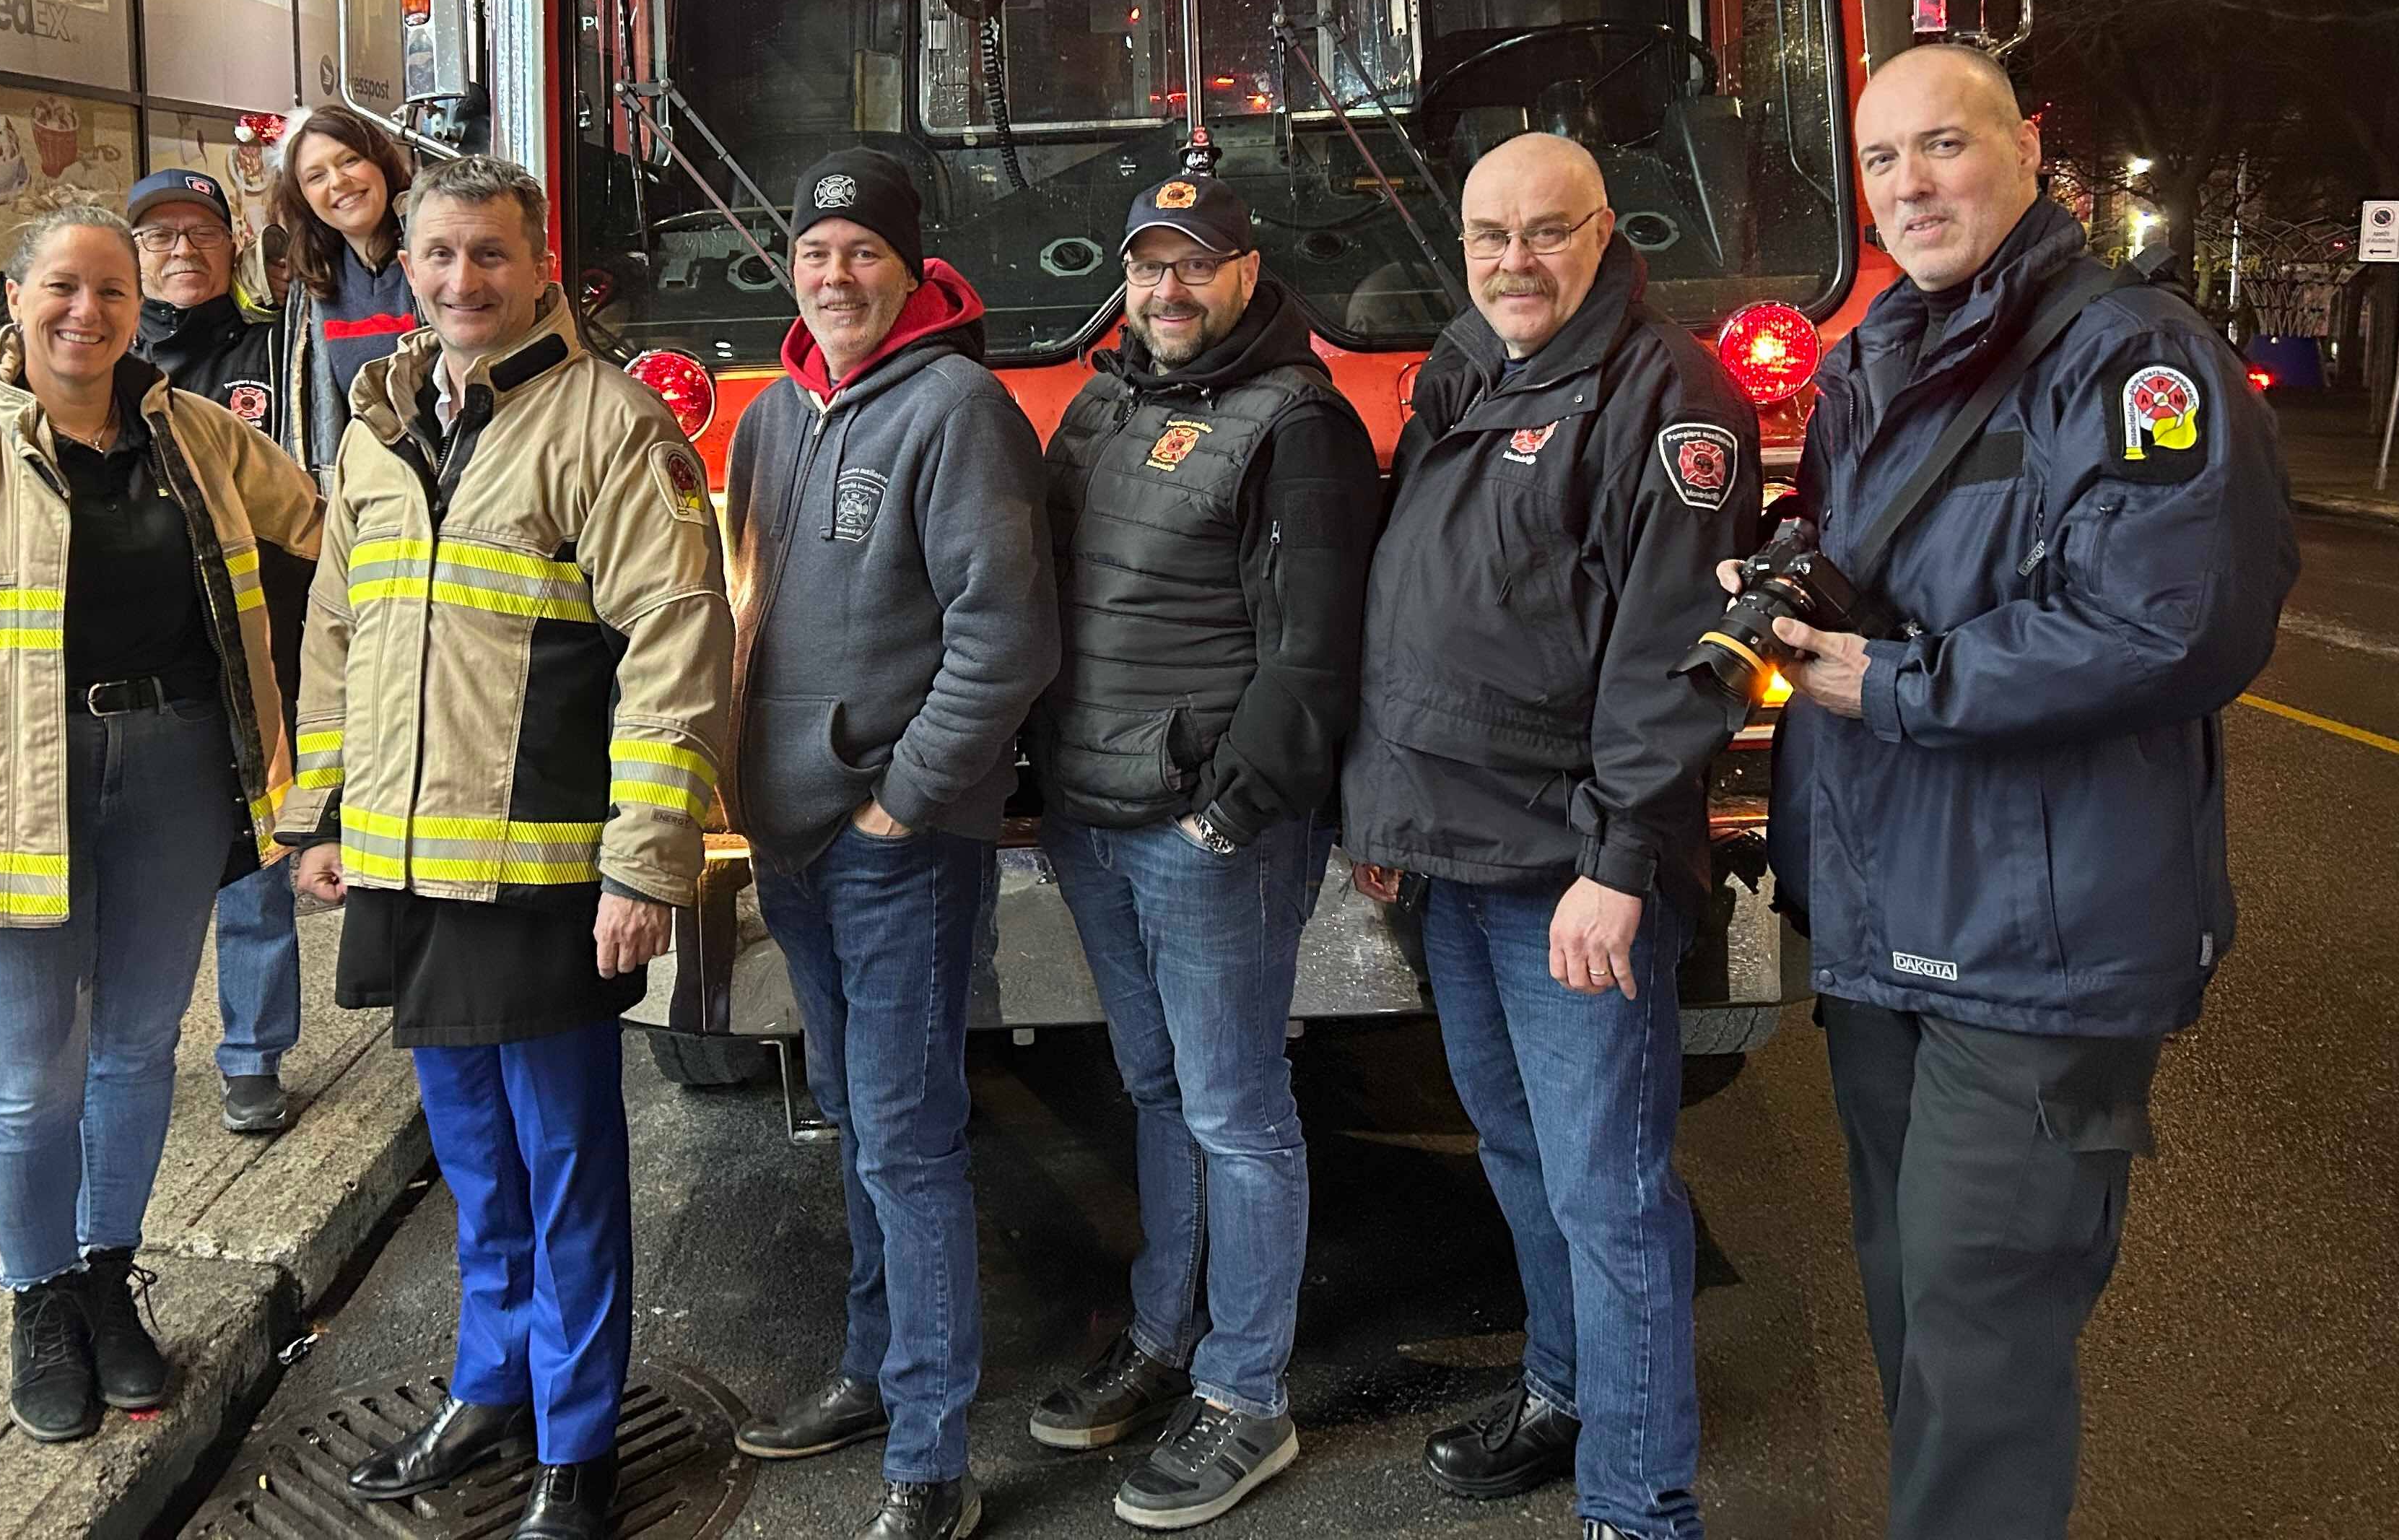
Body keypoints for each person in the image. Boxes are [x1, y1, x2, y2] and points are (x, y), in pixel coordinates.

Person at [1743, 45, 2294, 1540]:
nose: (1909, 187)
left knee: (1983, 1341)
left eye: (1942, 147)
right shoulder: (1879, 359)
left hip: (2039, 950)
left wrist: (1891, 685)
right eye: (1879, 162)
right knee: (1916, 1314)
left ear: (2028, 150)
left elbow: (2169, 626)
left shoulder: (2130, 357)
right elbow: (1897, 575)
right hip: (1884, 928)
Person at [0, 205, 321, 1445]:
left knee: (138, 1052)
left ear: (138, 304)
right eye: (62, 287)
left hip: (174, 771)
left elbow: (338, 538)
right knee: (31, 1080)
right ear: (14, 296)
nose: (86, 311)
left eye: (110, 289)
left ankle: (107, 1275)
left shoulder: (203, 436)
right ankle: (37, 1300)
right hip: (11, 800)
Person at [281, 156, 732, 1540]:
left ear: (541, 267)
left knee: (569, 1164)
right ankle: (494, 1385)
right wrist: (323, 813)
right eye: (437, 255)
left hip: (547, 880)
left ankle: (579, 1443)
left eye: (490, 254)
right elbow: (339, 634)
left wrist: (642, 860)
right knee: (479, 1163)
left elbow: (676, 645)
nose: (462, 279)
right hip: (411, 867)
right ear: (403, 266)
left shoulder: (609, 424)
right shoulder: (378, 428)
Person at [1346, 132, 1755, 1540]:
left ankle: (1639, 1509)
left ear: (1604, 234)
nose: (1515, 261)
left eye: (1545, 232)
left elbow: (1673, 655)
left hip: (1567, 877)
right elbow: (1431, 603)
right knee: (1520, 1158)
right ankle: (1568, 1390)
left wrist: (1619, 863)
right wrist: (1382, 809)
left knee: (1611, 1194)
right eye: (1488, 236)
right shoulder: (1472, 365)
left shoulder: (1668, 397)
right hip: (1453, 859)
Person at [1024, 173, 1380, 1529]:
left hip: (1204, 831)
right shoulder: (1105, 405)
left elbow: (1314, 653)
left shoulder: (1300, 425)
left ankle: (1246, 1394)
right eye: (1147, 268)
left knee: (1237, 1111)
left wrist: (1230, 812)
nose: (1165, 292)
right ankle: (1165, 1331)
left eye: (1193, 267)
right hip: (1092, 816)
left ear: (1243, 273)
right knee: (1158, 1087)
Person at [725, 149, 1058, 1540]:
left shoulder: (958, 407)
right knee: (862, 1121)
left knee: (911, 1140)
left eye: (863, 249)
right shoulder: (769, 416)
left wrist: (902, 797)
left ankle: (929, 1456)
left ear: (912, 270)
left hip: (895, 843)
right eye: (816, 249)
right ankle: (871, 1369)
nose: (836, 272)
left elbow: (1006, 638)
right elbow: (733, 605)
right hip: (789, 838)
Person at [126, 168, 310, 1136]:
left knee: (256, 865)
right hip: (141, 661)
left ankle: (253, 1053)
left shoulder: (278, 353)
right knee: (138, 883)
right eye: (160, 238)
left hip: (252, 652)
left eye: (202, 233)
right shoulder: (98, 364)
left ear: (233, 248)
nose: (183, 251)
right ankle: (131, 1051)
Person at [271, 105, 419, 473]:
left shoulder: (438, 254)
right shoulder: (310, 290)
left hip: (454, 484)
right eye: (316, 176)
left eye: (350, 160)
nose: (338, 182)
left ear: (381, 162)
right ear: (303, 197)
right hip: (361, 494)